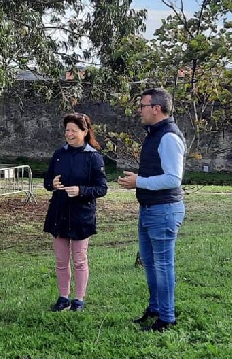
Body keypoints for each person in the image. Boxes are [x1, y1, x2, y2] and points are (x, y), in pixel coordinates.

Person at [117, 87, 186, 332]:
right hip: (150, 208)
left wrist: (139, 182)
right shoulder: (155, 134)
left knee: (163, 264)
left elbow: (173, 179)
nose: (139, 110)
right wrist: (138, 180)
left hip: (164, 209)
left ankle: (167, 318)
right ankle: (155, 308)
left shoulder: (168, 137)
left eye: (143, 105)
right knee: (150, 261)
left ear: (156, 109)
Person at [43, 112, 108, 312]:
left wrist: (81, 191)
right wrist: (52, 184)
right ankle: (63, 297)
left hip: (81, 215)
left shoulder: (94, 157)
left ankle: (78, 299)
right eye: (67, 130)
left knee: (79, 259)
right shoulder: (59, 154)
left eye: (74, 130)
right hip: (59, 212)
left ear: (84, 131)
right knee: (61, 260)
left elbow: (102, 188)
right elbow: (47, 182)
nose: (69, 134)